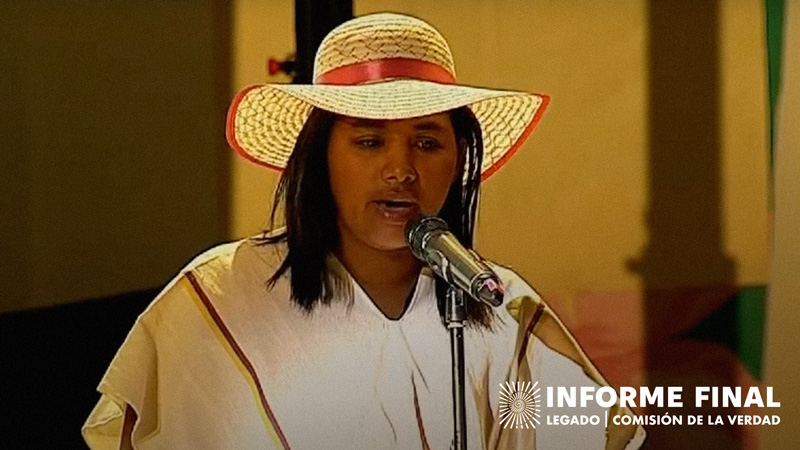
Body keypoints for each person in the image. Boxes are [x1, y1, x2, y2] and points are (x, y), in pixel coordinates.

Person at [83, 13, 645, 450]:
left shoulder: (501, 305)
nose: (400, 169)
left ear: (459, 162)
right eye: (369, 141)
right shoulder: (221, 294)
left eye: (427, 143)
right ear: (320, 158)